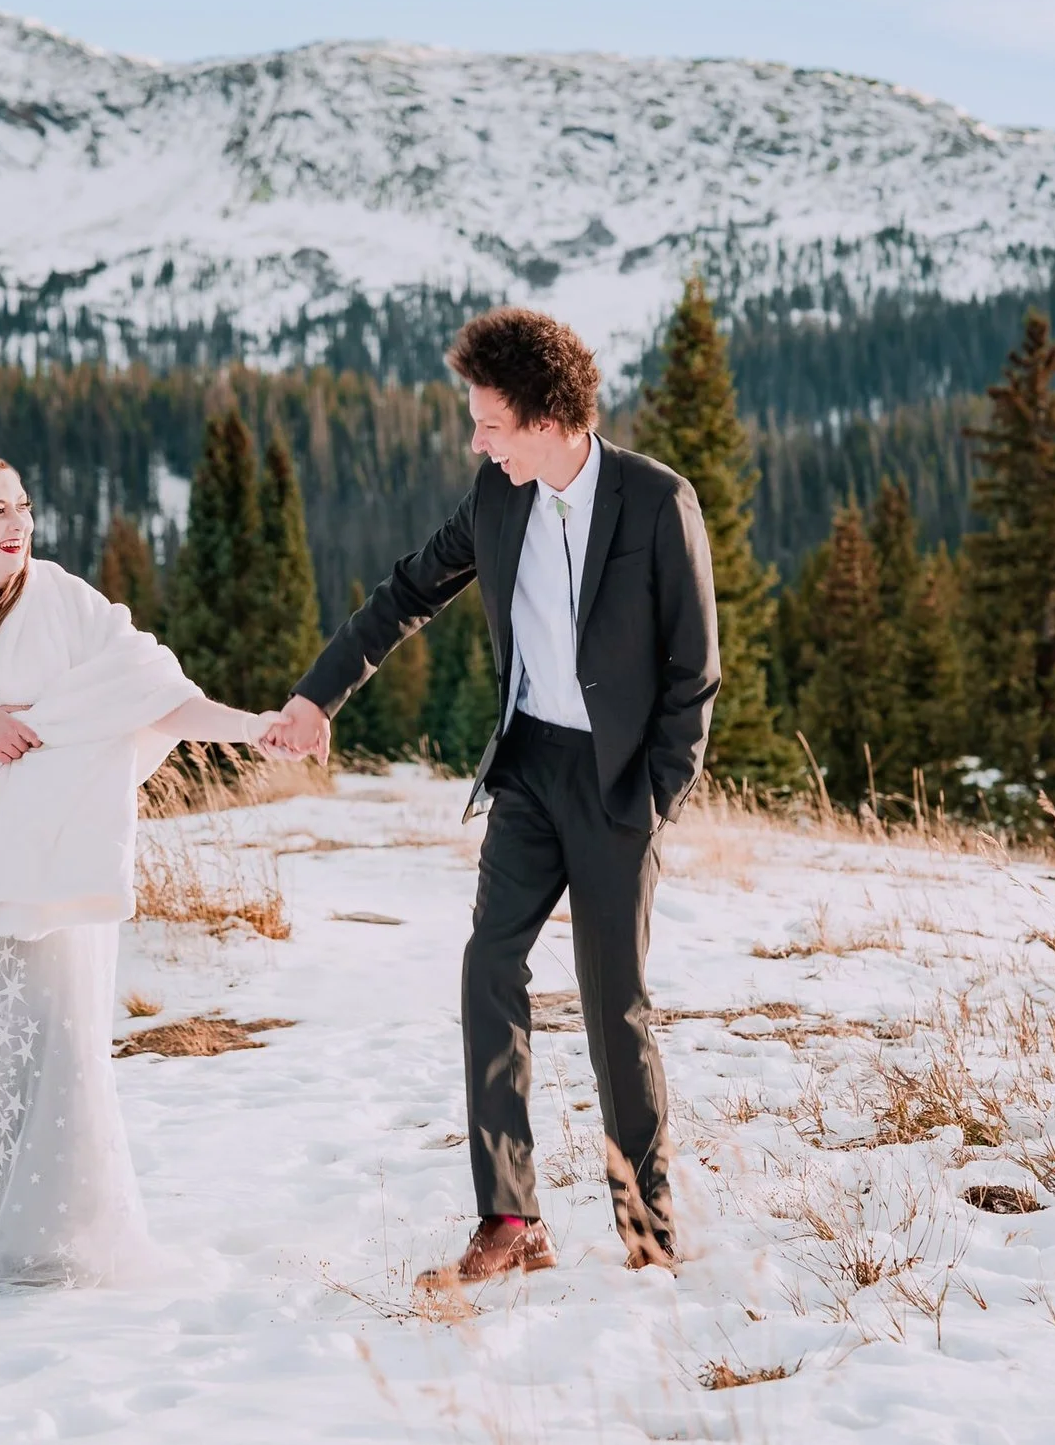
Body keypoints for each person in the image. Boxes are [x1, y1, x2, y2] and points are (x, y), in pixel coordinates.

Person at [259, 306, 720, 1283]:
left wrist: (653, 799)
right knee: (488, 969)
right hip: (528, 773)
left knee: (613, 1005)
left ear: (549, 419)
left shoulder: (654, 502)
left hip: (615, 785)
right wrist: (315, 693)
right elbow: (405, 592)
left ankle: (647, 1229)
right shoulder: (497, 496)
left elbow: (695, 670)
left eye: (489, 422)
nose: (476, 439)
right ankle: (511, 1222)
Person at [0, 452, 275, 1289]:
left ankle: (43, 1236)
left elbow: (154, 692)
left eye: (23, 506)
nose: (18, 524)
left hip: (42, 854)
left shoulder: (67, 603)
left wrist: (255, 726)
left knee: (46, 1038)